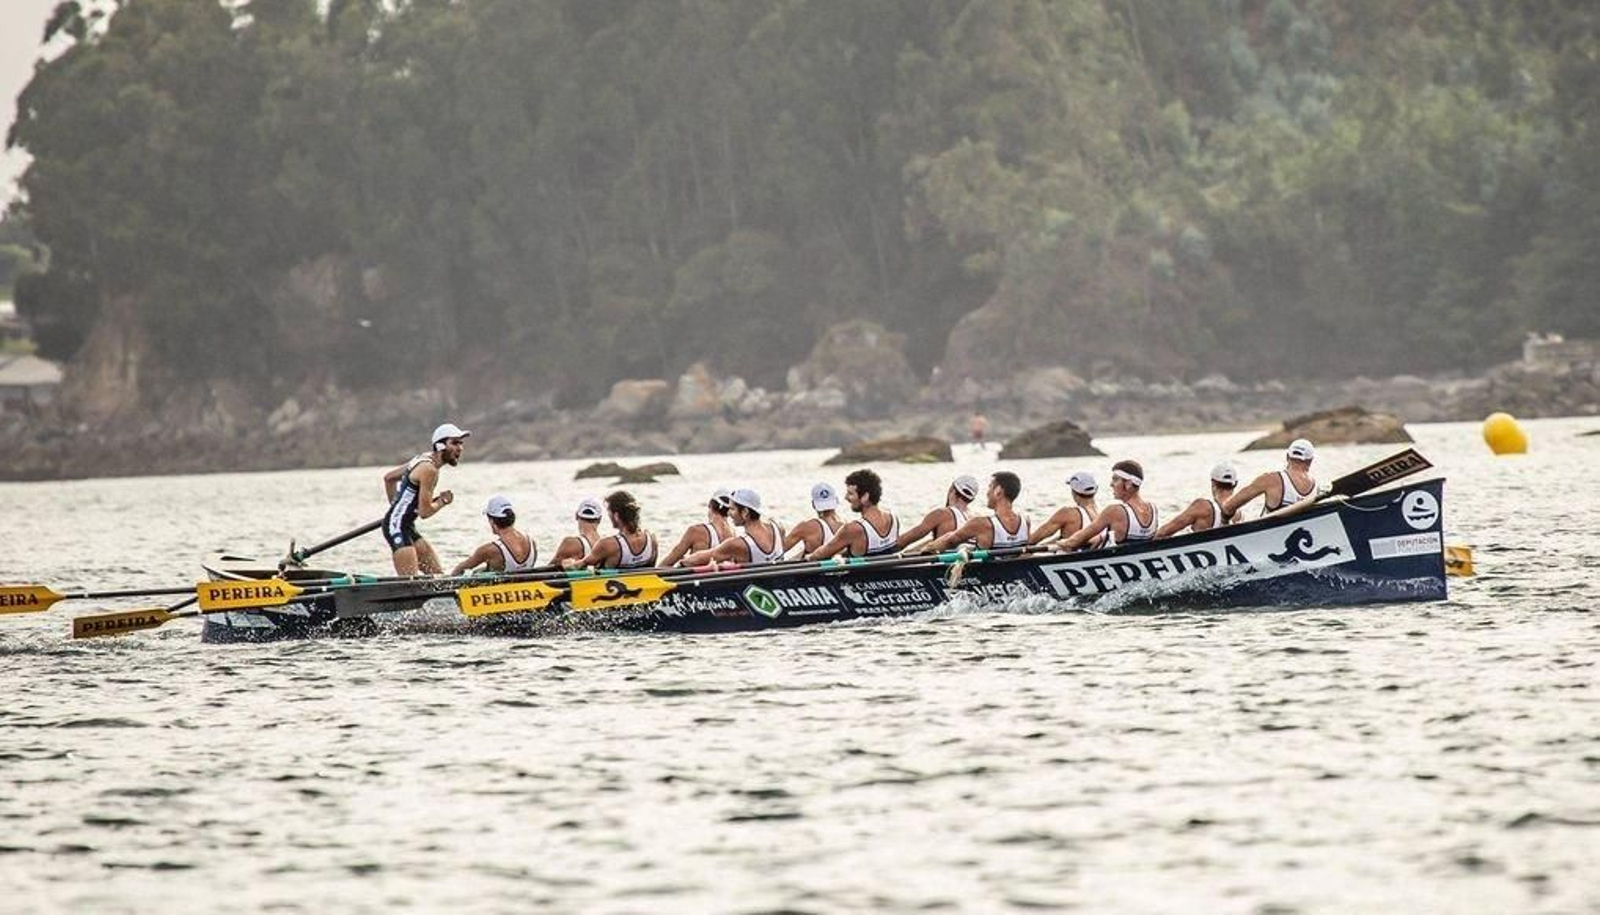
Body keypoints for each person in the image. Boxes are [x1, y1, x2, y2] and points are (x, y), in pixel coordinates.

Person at [381, 422, 468, 575]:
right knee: (410, 583)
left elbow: (389, 478)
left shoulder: (422, 458)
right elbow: (425, 512)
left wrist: (397, 509)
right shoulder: (429, 470)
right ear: (440, 446)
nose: (460, 448)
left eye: (461, 443)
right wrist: (442, 501)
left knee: (438, 576)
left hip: (406, 525)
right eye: (455, 443)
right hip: (397, 527)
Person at [1058, 459, 1157, 550]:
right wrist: (1101, 537)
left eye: (1115, 479)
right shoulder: (1152, 508)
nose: (1111, 484)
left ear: (1128, 484)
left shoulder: (1115, 511)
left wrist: (1061, 542)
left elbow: (1075, 541)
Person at [922, 471, 1029, 552]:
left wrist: (927, 549)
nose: (987, 493)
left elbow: (950, 541)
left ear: (998, 491)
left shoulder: (981, 523)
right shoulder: (1025, 522)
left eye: (990, 487)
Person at [806, 468, 899, 560]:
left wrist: (808, 557)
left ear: (865, 496)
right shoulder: (893, 518)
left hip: (865, 570)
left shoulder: (852, 529)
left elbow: (821, 554)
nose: (846, 497)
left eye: (850, 493)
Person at [685, 488, 787, 567]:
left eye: (732, 509)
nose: (728, 513)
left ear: (745, 512)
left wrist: (683, 561)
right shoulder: (778, 528)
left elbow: (703, 558)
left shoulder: (737, 544)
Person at [1223, 439, 1319, 518]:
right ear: (1310, 461)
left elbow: (1228, 507)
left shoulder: (1271, 480)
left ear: (1287, 457)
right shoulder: (1316, 489)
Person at [563, 491, 657, 570]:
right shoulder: (651, 539)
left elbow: (577, 566)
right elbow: (651, 570)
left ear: (616, 516)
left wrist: (568, 563)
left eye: (609, 511)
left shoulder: (607, 544)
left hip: (611, 586)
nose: (608, 515)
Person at [451, 495, 538, 575]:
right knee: (480, 571)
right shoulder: (531, 543)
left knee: (476, 572)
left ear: (492, 521)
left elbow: (459, 569)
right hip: (526, 583)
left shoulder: (490, 550)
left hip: (502, 585)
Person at [894, 474, 981, 551]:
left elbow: (904, 541)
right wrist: (908, 552)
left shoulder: (941, 514)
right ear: (971, 500)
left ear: (952, 489)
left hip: (943, 563)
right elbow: (937, 541)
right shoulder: (975, 518)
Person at [1155, 463, 1241, 538]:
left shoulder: (1203, 507)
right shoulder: (1238, 513)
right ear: (1235, 484)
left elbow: (1163, 532)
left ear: (1213, 483)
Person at [659, 489, 736, 567]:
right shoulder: (733, 534)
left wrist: (656, 570)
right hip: (717, 573)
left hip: (695, 574)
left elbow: (672, 559)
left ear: (710, 505)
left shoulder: (696, 531)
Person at [1029, 470, 1104, 549]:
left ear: (1073, 492)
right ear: (1095, 490)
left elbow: (1035, 538)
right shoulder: (1103, 512)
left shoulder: (1068, 513)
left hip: (1071, 554)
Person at [783, 482, 845, 557]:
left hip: (813, 563)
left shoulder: (806, 527)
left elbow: (780, 550)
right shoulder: (846, 527)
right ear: (837, 501)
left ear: (813, 504)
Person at [549, 497, 605, 568]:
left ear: (576, 516)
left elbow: (548, 569)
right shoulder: (605, 545)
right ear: (600, 519)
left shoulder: (571, 543)